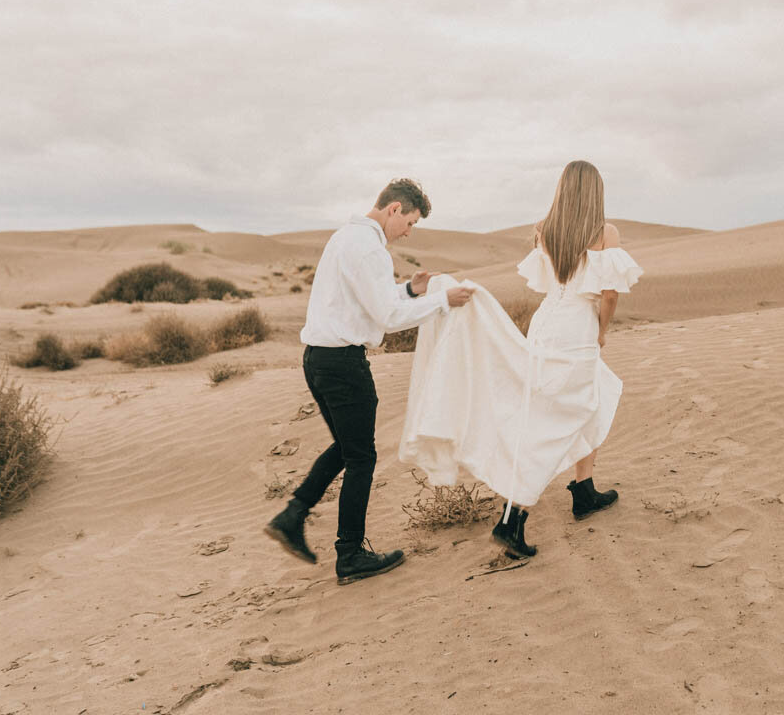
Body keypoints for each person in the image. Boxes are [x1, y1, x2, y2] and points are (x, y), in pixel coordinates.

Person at [399, 160, 642, 558]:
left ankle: (584, 489)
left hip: (547, 322)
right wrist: (601, 330)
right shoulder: (605, 233)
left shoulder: (544, 231)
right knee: (557, 421)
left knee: (589, 397)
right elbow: (610, 294)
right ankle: (513, 520)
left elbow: (550, 282)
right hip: (578, 327)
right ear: (595, 192)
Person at [266, 179, 475, 585]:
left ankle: (293, 514)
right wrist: (440, 302)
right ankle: (350, 554)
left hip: (317, 359)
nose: (409, 232)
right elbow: (387, 318)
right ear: (394, 209)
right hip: (344, 364)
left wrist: (409, 291)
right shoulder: (369, 248)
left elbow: (367, 298)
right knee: (361, 456)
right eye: (410, 223)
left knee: (348, 449)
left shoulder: (346, 238)